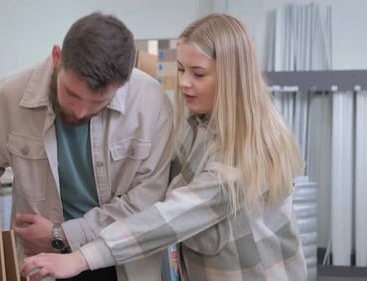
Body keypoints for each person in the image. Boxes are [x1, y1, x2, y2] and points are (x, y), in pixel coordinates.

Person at [20, 13, 307, 281]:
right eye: (181, 69)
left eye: (198, 73)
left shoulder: (246, 151)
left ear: (232, 76)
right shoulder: (198, 126)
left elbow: (171, 217)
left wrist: (80, 258)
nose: (183, 83)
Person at [0, 12, 174, 281]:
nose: (79, 112)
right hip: (39, 262)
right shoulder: (11, 94)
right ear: (57, 57)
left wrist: (62, 235)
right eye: (72, 94)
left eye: (98, 103)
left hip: (125, 262)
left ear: (122, 85)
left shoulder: (151, 101)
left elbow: (147, 201)